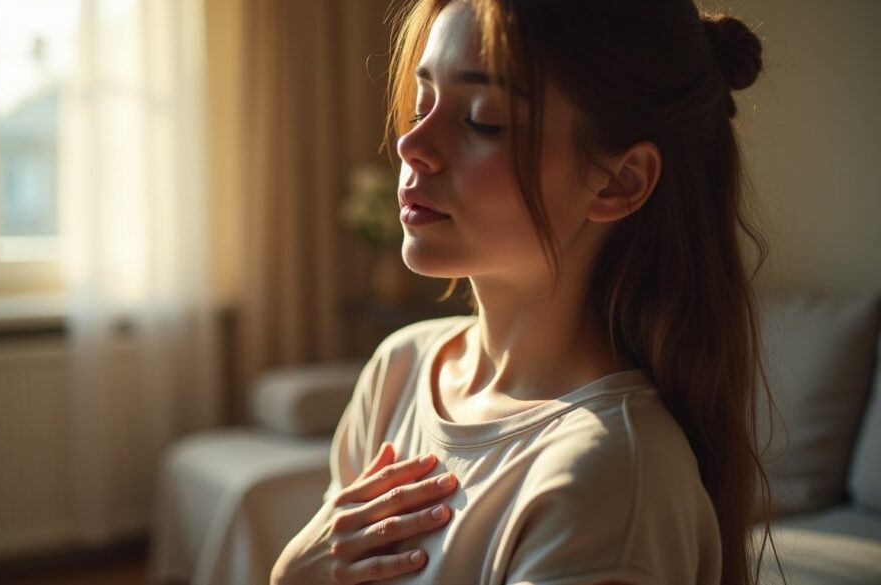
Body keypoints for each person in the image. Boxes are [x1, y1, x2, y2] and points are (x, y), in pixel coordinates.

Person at [272, 0, 785, 583]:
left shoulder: (608, 480)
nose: (412, 144)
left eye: (483, 120)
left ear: (619, 181)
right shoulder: (401, 370)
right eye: (423, 104)